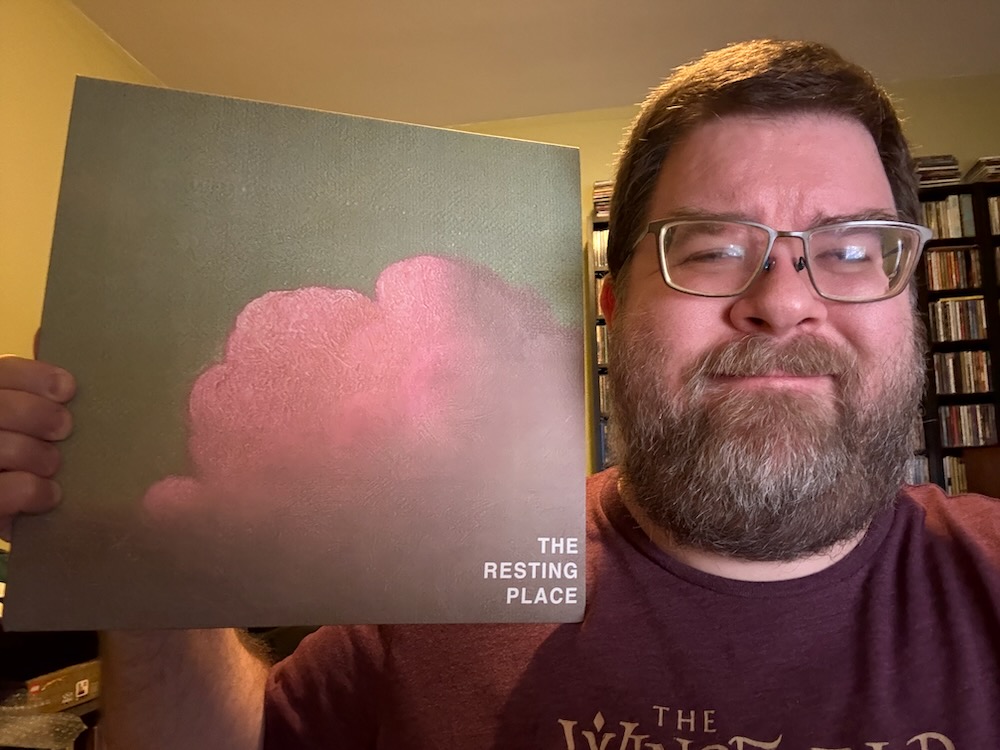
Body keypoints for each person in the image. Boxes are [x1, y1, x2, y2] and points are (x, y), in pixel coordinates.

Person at [2, 38, 999, 749]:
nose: (782, 302)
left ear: (910, 300)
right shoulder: (455, 556)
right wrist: (139, 586)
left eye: (853, 251)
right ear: (609, 309)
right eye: (708, 249)